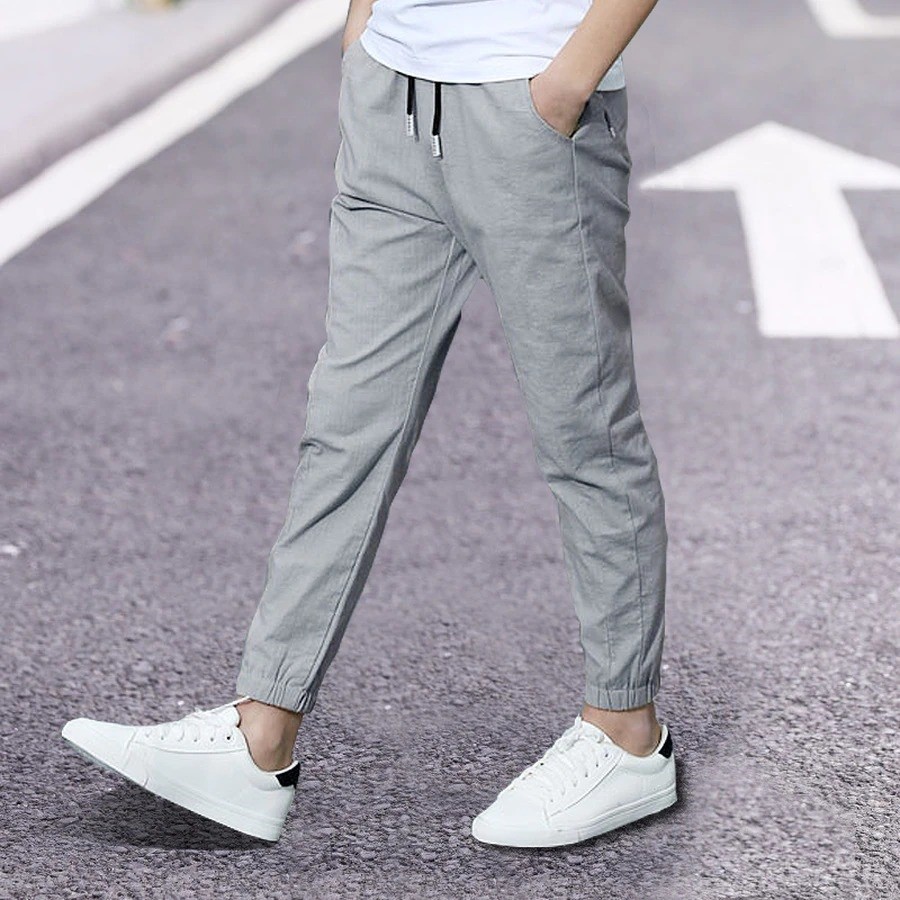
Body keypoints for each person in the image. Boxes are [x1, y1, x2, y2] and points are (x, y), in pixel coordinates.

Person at [62, 0, 675, 848]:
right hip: (393, 100)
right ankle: (260, 734)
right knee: (345, 430)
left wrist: (567, 82)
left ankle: (627, 734)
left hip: (531, 104)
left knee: (586, 434)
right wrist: (363, 31)